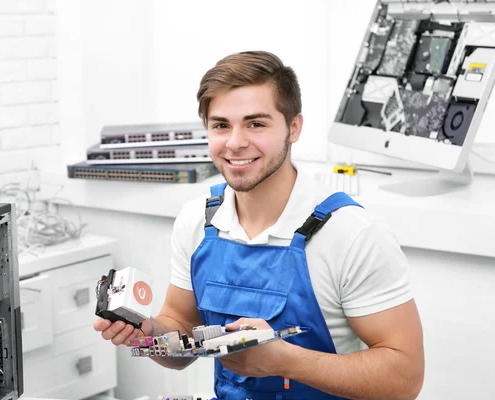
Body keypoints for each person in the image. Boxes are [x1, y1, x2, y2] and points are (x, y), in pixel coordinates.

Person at [94, 50, 424, 400]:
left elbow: (404, 379)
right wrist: (144, 333)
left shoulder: (353, 235)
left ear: (293, 127)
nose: (235, 142)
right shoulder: (197, 221)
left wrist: (286, 360)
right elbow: (180, 328)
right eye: (221, 125)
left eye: (256, 123)